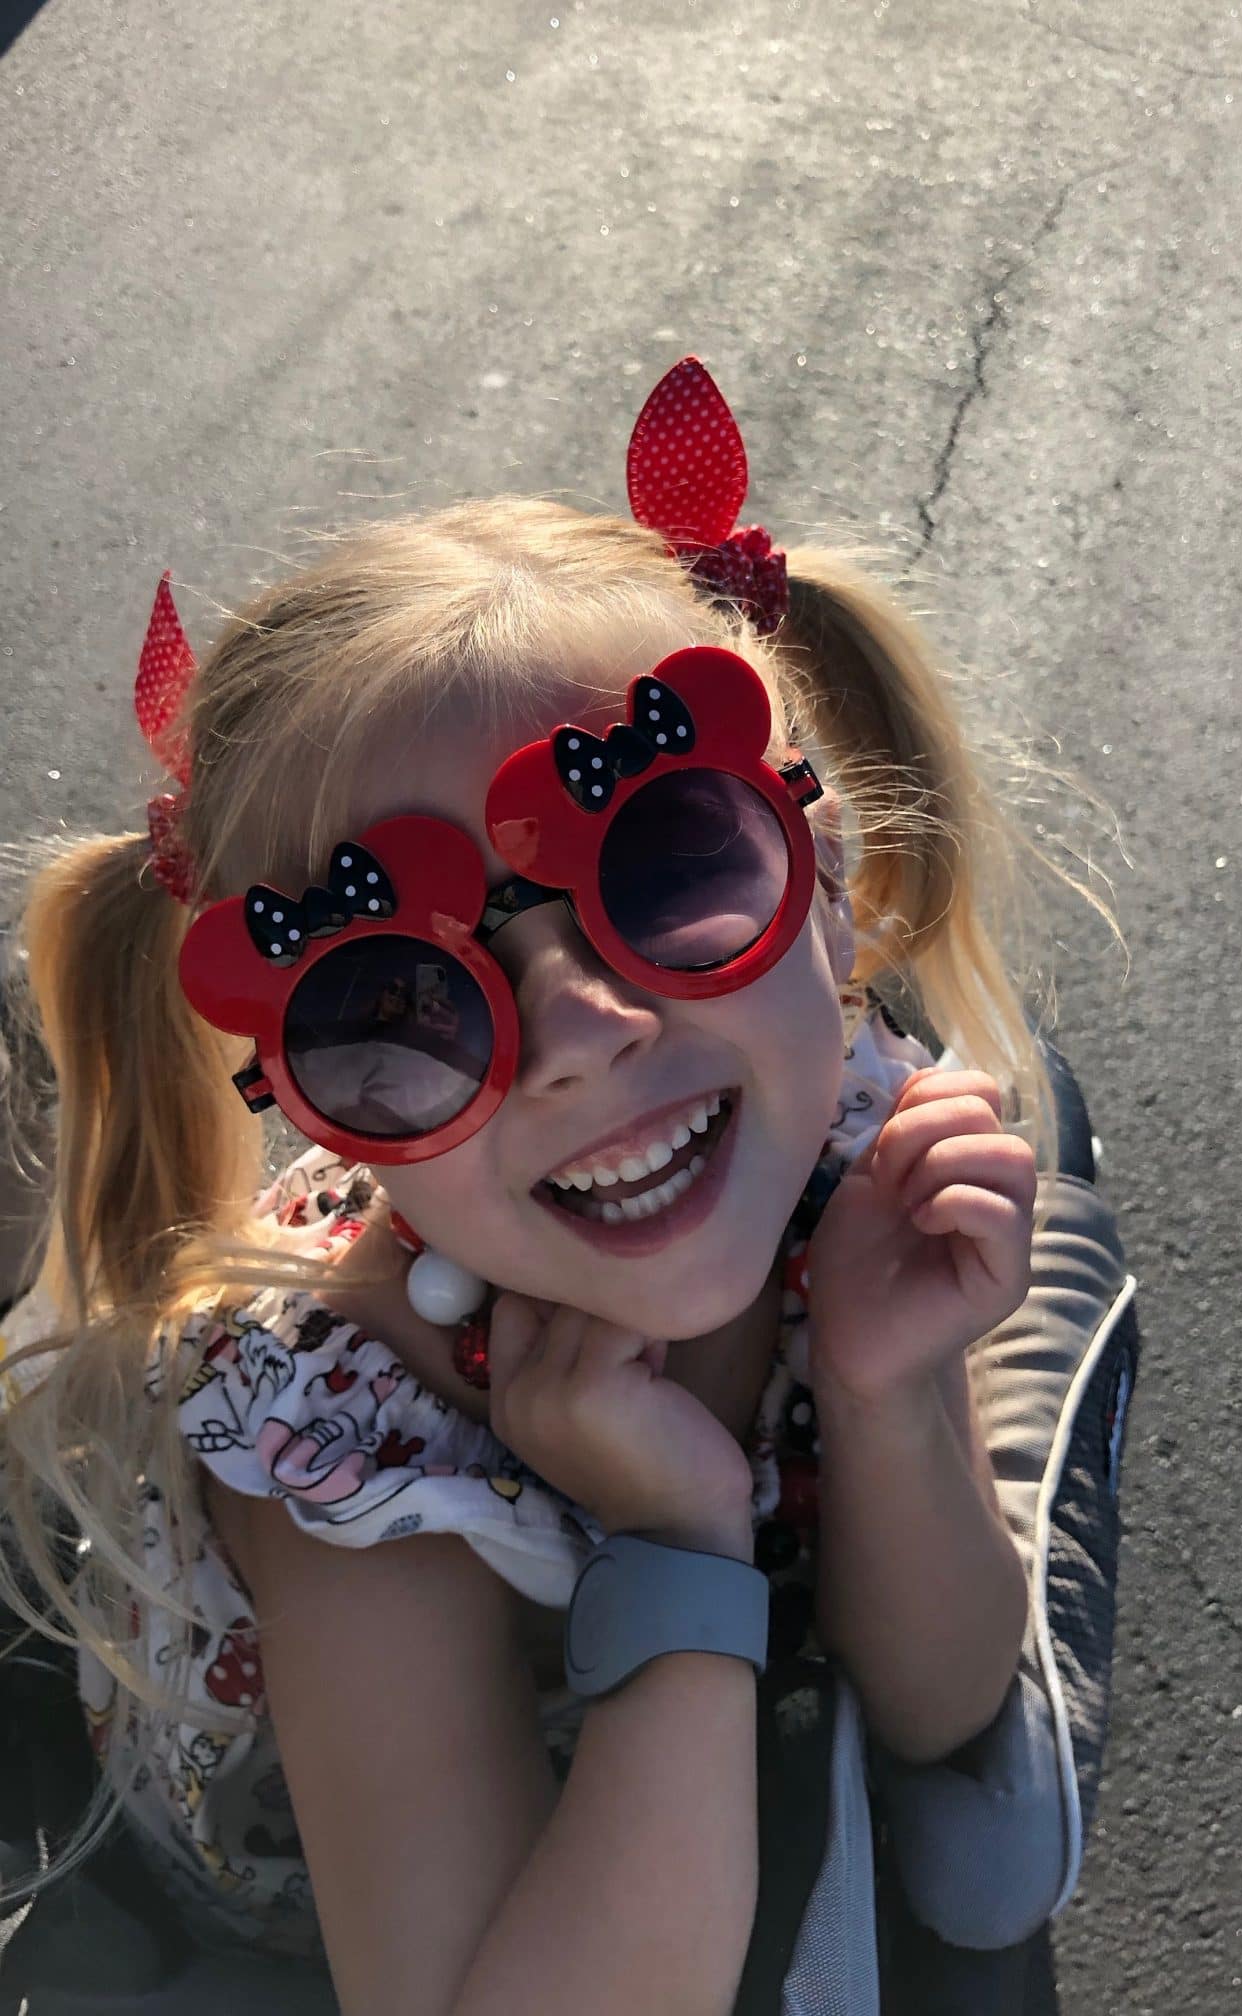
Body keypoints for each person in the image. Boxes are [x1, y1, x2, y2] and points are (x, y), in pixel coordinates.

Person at [0, 357, 1125, 2016]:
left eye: (669, 869)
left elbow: (945, 1700)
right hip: (312, 1925)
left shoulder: (844, 1154)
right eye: (395, 1005)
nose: (586, 1037)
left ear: (829, 900)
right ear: (323, 1116)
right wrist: (684, 1533)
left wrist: (890, 1398)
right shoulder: (343, 1427)